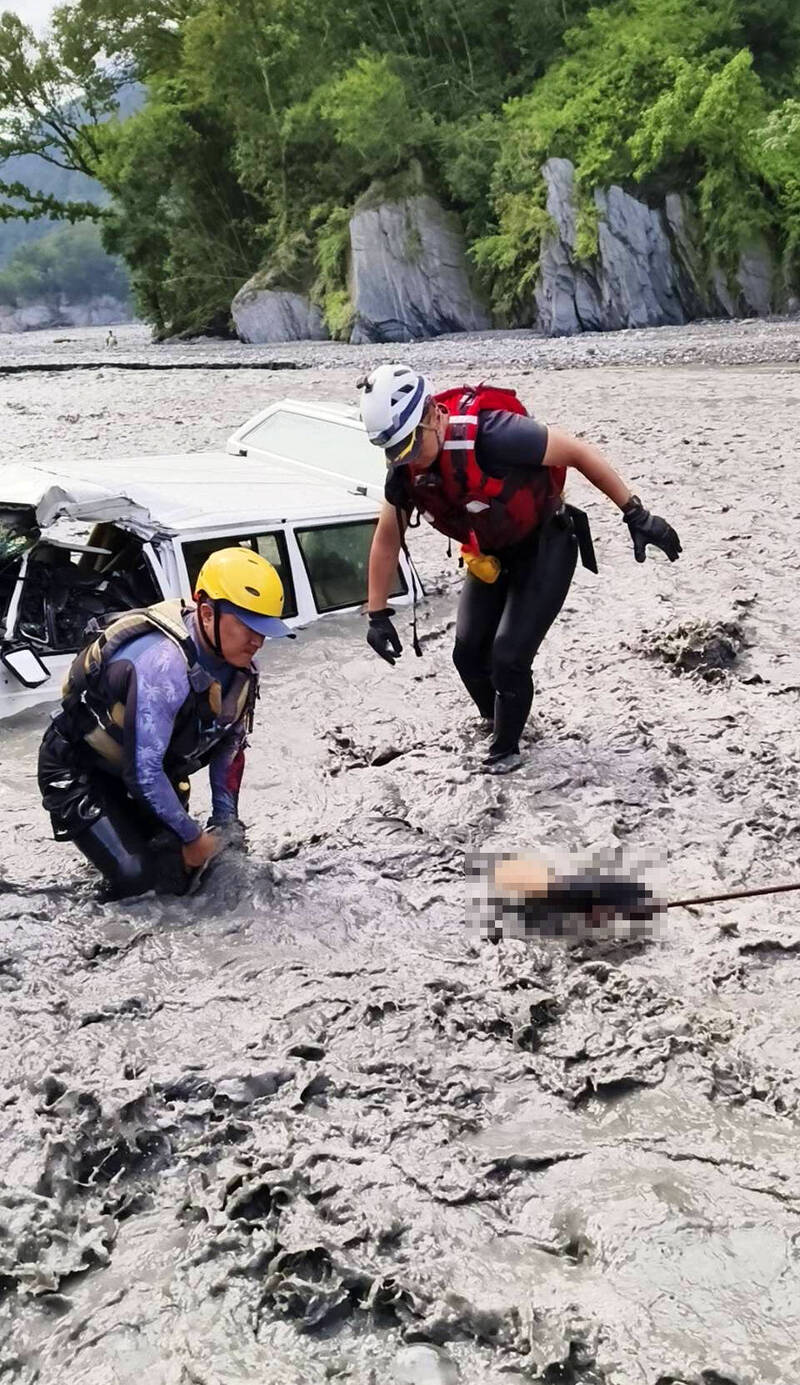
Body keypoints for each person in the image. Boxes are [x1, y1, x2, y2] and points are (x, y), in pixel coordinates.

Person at [359, 365, 681, 774]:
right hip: (491, 553)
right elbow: (387, 538)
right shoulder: (406, 471)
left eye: (410, 445)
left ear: (434, 413)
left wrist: (636, 514)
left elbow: (577, 452)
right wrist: (377, 614)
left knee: (508, 656)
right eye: (394, 452)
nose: (406, 459)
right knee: (467, 654)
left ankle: (507, 755)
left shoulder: (496, 434)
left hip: (546, 544)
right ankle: (501, 722)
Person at [38, 547, 292, 899]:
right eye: (248, 626)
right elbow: (143, 773)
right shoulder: (163, 666)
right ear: (206, 614)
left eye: (264, 630)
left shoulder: (242, 670)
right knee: (137, 881)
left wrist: (225, 828)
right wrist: (193, 836)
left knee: (178, 878)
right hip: (80, 768)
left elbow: (228, 751)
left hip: (147, 771)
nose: (258, 640)